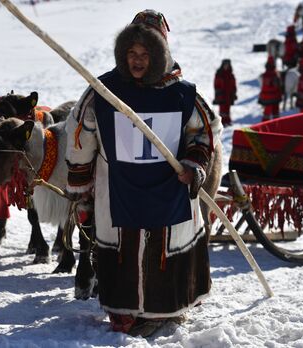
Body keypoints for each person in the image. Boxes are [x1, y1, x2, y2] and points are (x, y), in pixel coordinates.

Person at [65, 9, 221, 337]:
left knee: (163, 247)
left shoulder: (181, 92)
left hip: (171, 188)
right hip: (117, 189)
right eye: (131, 53)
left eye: (146, 54)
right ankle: (125, 313)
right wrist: (80, 184)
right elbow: (81, 130)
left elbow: (205, 131)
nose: (137, 61)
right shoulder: (104, 91)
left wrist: (195, 164)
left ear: (160, 54)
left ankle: (167, 309)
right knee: (123, 248)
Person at [212, 59, 237, 127]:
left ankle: (227, 120)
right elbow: (216, 84)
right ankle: (222, 122)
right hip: (221, 94)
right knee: (222, 108)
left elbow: (234, 84)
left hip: (229, 94)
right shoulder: (219, 74)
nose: (226, 66)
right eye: (225, 65)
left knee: (227, 108)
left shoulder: (231, 74)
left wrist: (234, 93)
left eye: (227, 65)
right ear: (222, 65)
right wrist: (218, 92)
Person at [258, 56, 282, 121]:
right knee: (275, 113)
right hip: (275, 97)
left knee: (266, 113)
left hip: (266, 97)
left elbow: (263, 87)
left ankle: (264, 126)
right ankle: (276, 127)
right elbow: (278, 86)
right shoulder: (275, 75)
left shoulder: (264, 75)